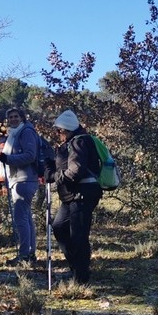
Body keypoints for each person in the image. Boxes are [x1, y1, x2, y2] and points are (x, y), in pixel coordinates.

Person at [43, 110, 102, 284]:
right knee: (59, 227)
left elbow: (75, 171)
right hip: (71, 197)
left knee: (79, 236)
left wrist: (53, 176)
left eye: (58, 131)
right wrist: (49, 167)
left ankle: (81, 277)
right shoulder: (71, 143)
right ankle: (76, 267)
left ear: (66, 129)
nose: (57, 134)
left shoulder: (80, 142)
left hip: (82, 195)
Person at [0, 108, 42, 267]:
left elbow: (30, 155)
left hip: (24, 179)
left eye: (16, 116)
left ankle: (24, 255)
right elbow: (9, 155)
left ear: (22, 118)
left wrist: (8, 159)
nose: (13, 119)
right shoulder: (13, 134)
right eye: (10, 117)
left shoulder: (26, 132)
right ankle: (30, 253)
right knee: (26, 217)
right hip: (18, 179)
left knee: (21, 218)